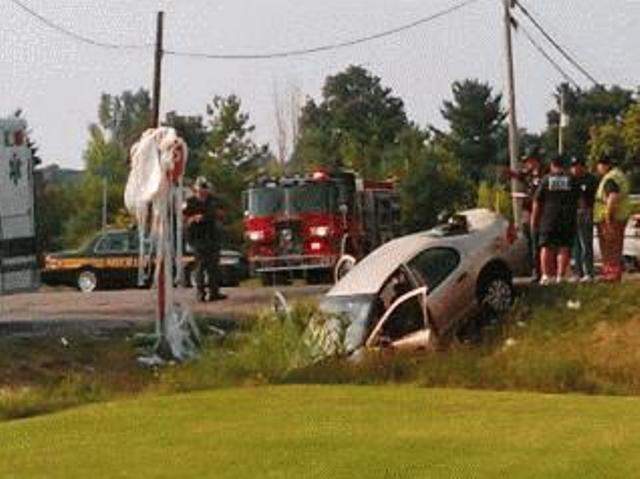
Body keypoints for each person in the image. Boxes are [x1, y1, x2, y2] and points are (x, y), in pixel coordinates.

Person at [531, 156, 579, 285]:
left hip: (548, 218)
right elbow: (579, 200)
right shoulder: (571, 180)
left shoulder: (546, 180)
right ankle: (561, 276)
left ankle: (547, 276)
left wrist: (534, 220)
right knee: (564, 247)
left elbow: (537, 201)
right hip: (566, 219)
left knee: (546, 247)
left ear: (552, 165)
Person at [183, 176, 226, 301]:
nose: (203, 191)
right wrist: (193, 218)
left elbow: (222, 213)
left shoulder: (213, 201)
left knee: (213, 266)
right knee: (201, 265)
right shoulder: (190, 202)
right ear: (196, 189)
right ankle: (200, 293)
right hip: (198, 237)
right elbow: (183, 218)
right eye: (201, 188)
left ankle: (214, 292)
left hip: (212, 236)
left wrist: (218, 215)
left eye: (205, 188)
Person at [508, 147, 546, 281]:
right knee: (530, 243)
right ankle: (535, 270)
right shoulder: (529, 174)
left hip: (539, 213)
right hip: (528, 212)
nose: (526, 164)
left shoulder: (543, 174)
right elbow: (519, 176)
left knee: (539, 244)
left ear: (535, 160)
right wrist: (509, 173)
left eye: (528, 161)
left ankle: (542, 272)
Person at [594, 156, 631, 282]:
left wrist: (608, 216)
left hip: (611, 218)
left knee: (609, 247)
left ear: (605, 165)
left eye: (598, 165)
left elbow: (612, 197)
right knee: (616, 246)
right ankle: (612, 273)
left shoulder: (610, 178)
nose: (597, 168)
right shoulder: (619, 175)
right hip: (620, 216)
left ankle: (611, 275)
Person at [570, 157, 599, 282]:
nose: (574, 169)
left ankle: (588, 272)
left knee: (585, 243)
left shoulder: (590, 179)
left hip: (586, 212)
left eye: (576, 166)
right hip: (573, 213)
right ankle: (578, 272)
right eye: (572, 166)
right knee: (575, 244)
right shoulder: (571, 179)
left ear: (582, 166)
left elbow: (590, 197)